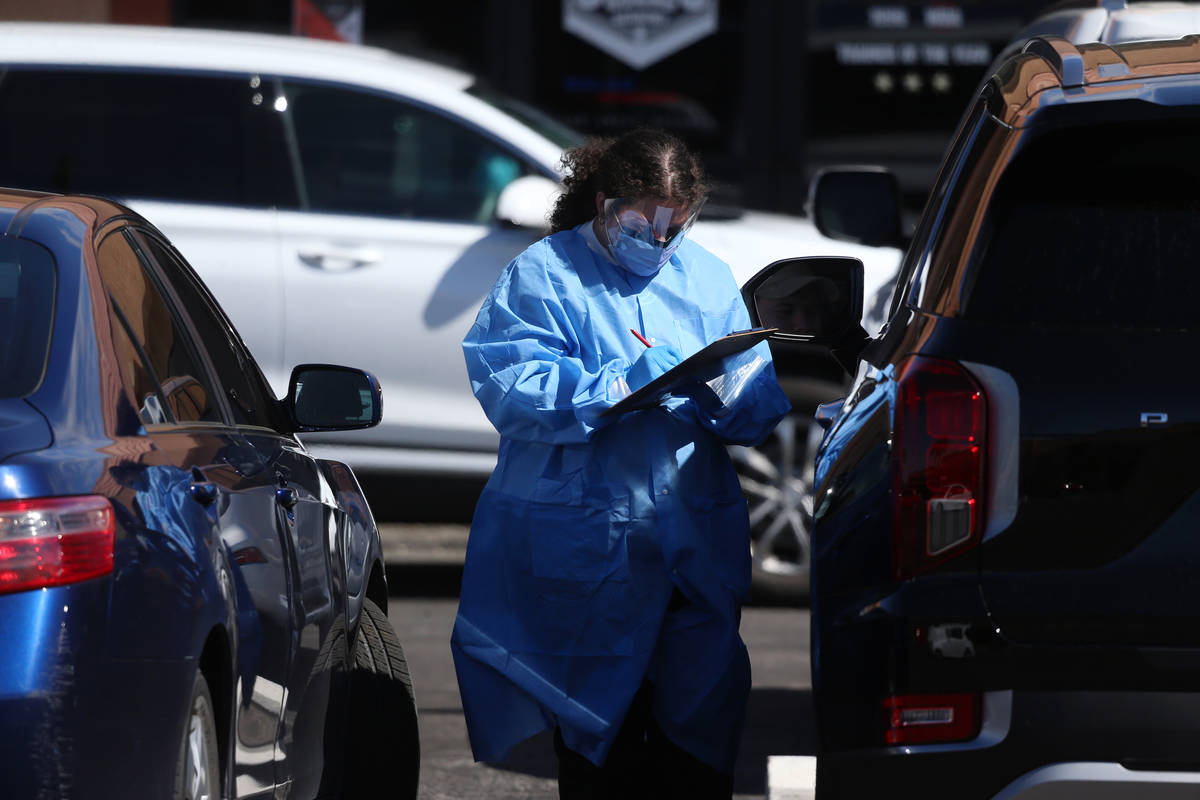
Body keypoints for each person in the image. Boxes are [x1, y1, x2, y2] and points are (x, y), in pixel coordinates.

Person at [451, 127, 791, 799]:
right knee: (597, 747)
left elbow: (756, 400)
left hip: (691, 541)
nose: (657, 239)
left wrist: (729, 396)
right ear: (603, 204)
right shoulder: (545, 273)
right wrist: (614, 386)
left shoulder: (707, 276)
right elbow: (509, 384)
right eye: (641, 219)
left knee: (697, 741)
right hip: (585, 547)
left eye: (675, 223)